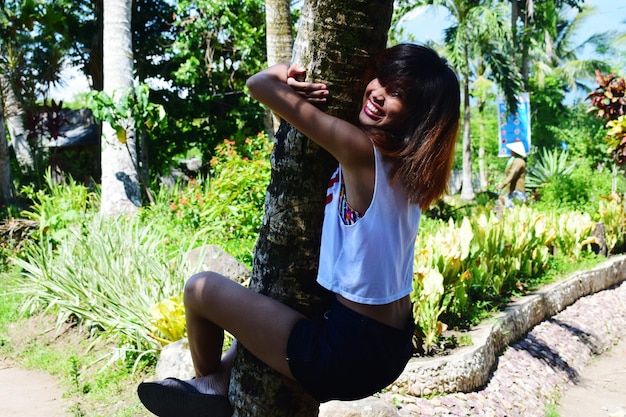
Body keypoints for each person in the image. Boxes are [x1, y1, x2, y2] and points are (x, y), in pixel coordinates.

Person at [137, 43, 460, 417]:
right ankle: (218, 378)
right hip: (391, 345)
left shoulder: (358, 149)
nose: (377, 94)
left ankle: (209, 387)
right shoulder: (410, 172)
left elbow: (258, 84)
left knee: (198, 290)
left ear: (416, 114)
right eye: (382, 80)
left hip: (346, 353)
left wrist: (287, 77)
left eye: (397, 94)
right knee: (278, 301)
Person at [497, 141, 527, 208]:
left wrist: (502, 185)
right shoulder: (513, 160)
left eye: (512, 150)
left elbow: (512, 174)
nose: (510, 151)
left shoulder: (518, 161)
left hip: (517, 192)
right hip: (511, 191)